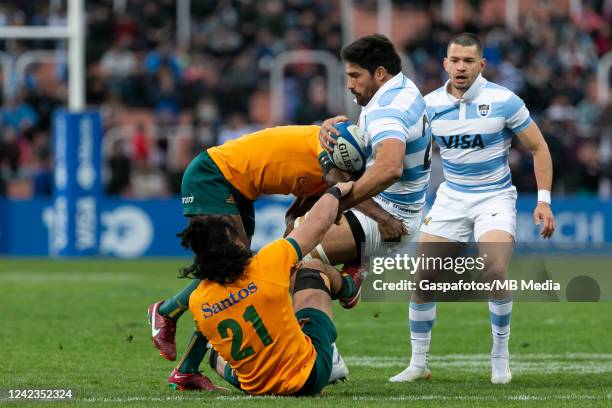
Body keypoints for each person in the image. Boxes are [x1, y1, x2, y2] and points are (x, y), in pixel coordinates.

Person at [147, 125, 391, 390]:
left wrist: (295, 224)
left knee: (232, 276)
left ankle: (186, 369)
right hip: (213, 175)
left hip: (238, 189)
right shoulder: (326, 147)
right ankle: (166, 311)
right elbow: (339, 187)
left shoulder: (326, 171)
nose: (352, 178)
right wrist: (384, 218)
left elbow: (298, 213)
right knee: (232, 270)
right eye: (350, 174)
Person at [389, 33, 556, 385]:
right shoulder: (428, 105)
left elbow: (539, 148)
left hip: (494, 197)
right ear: (445, 64)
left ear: (481, 65)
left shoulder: (504, 101)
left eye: (469, 61)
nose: (461, 67)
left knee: (493, 269)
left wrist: (543, 201)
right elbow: (404, 152)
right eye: (455, 60)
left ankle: (500, 355)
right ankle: (419, 363)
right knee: (422, 277)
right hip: (451, 197)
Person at [181, 182, 354, 395]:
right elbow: (319, 223)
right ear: (233, 243)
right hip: (308, 378)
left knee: (216, 357)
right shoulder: (267, 262)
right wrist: (334, 192)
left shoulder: (197, 300)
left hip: (257, 388)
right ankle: (350, 288)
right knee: (312, 270)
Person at [316, 34, 432, 308]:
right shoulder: (401, 88)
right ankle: (355, 267)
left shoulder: (386, 110)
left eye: (355, 76)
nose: (349, 85)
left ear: (379, 73)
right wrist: (332, 127)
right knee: (292, 236)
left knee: (290, 260)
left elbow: (389, 168)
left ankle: (347, 286)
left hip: (391, 217)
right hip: (394, 207)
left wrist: (338, 203)